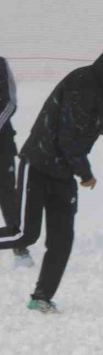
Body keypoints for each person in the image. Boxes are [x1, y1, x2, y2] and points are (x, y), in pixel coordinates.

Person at [0, 35, 103, 314]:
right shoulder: (84, 83)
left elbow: (87, 120)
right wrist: (85, 174)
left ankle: (41, 298)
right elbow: (69, 135)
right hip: (38, 165)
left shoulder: (99, 87)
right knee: (23, 233)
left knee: (61, 240)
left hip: (62, 171)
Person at [0, 57, 27, 267]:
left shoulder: (0, 64)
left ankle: (20, 249)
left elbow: (10, 102)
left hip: (2, 145)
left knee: (7, 195)